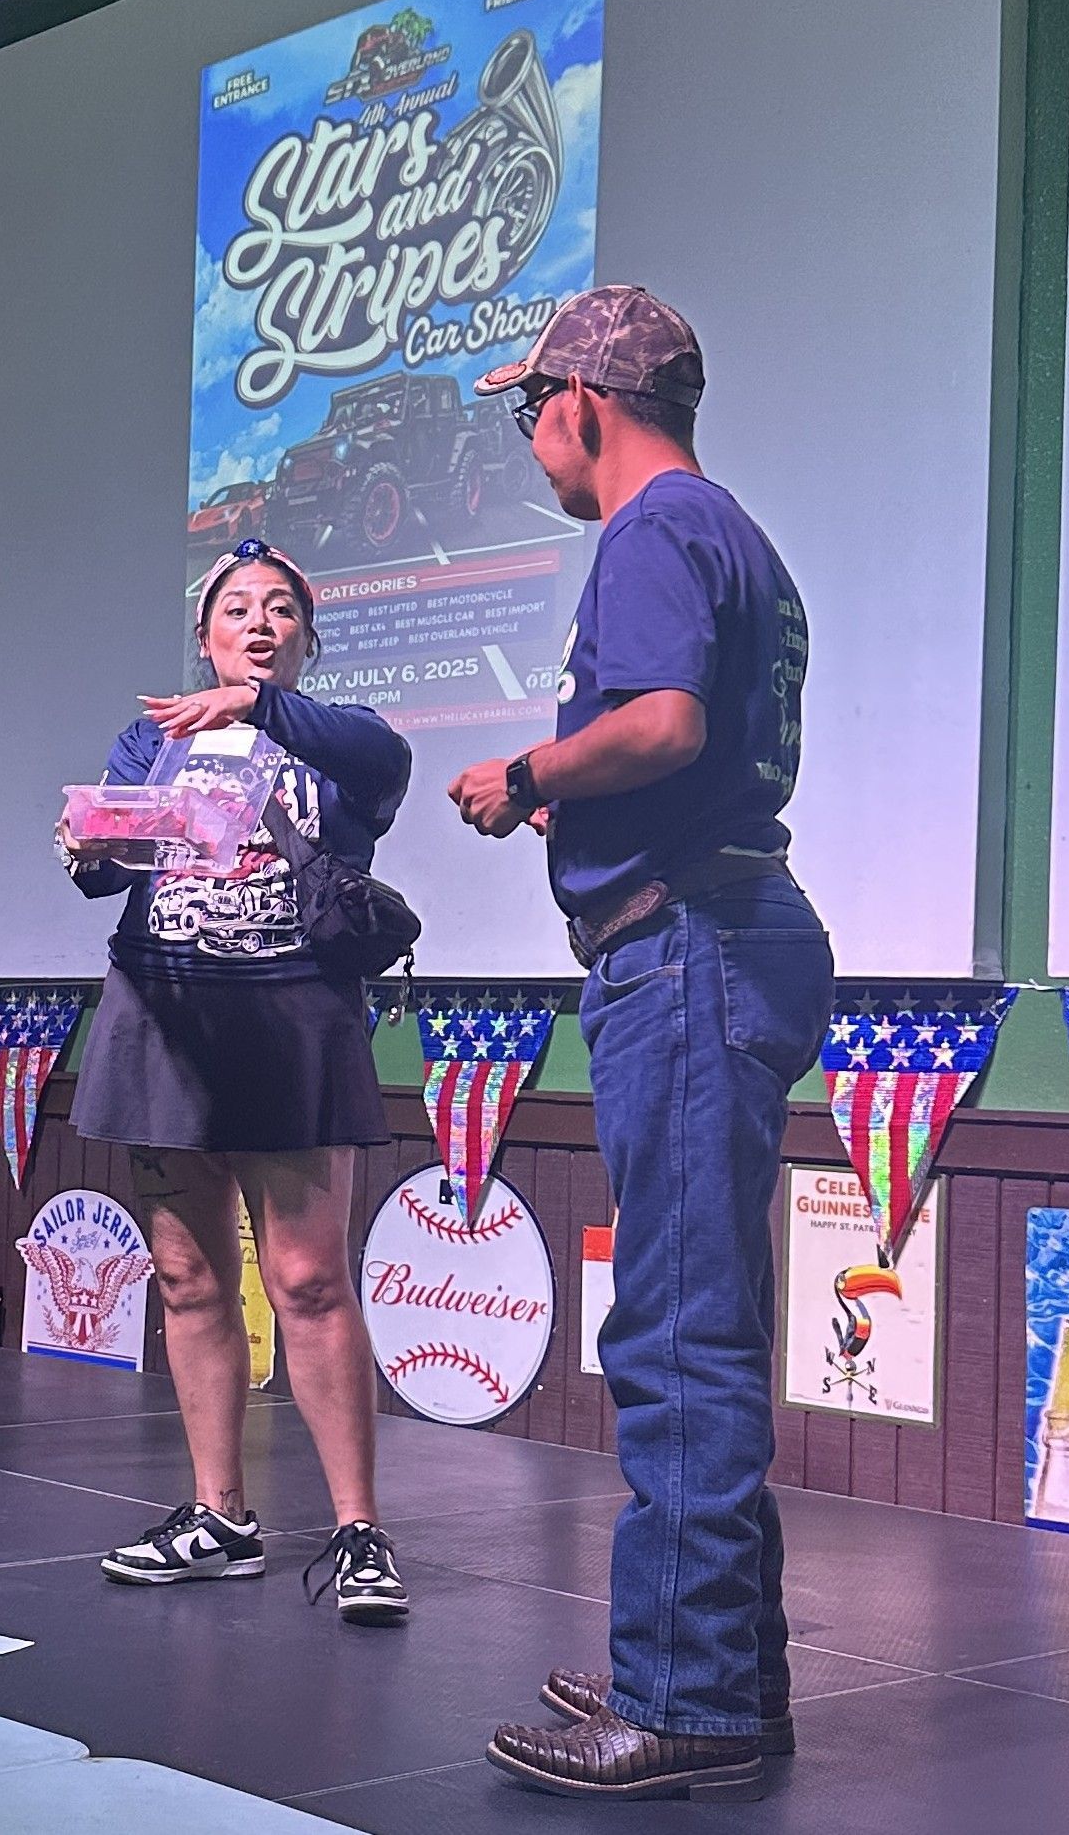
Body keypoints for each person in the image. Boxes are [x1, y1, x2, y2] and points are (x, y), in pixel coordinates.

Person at [449, 287, 834, 1801]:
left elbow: (665, 723)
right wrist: (582, 797)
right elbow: (695, 740)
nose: (526, 438)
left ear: (580, 402)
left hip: (681, 949)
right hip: (723, 928)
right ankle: (722, 1672)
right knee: (702, 1327)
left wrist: (525, 770)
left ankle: (678, 1700)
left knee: (672, 1340)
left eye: (523, 409)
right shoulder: (733, 531)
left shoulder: (649, 531)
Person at [60, 537, 413, 1624]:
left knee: (308, 1279)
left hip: (291, 1014)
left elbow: (380, 756)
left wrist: (244, 706)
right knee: (189, 1277)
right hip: (165, 1010)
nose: (258, 622)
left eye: (280, 611)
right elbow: (108, 861)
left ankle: (357, 1529)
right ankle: (220, 1516)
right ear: (204, 633)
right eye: (235, 610)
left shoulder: (346, 749)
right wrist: (94, 842)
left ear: (303, 640)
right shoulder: (147, 738)